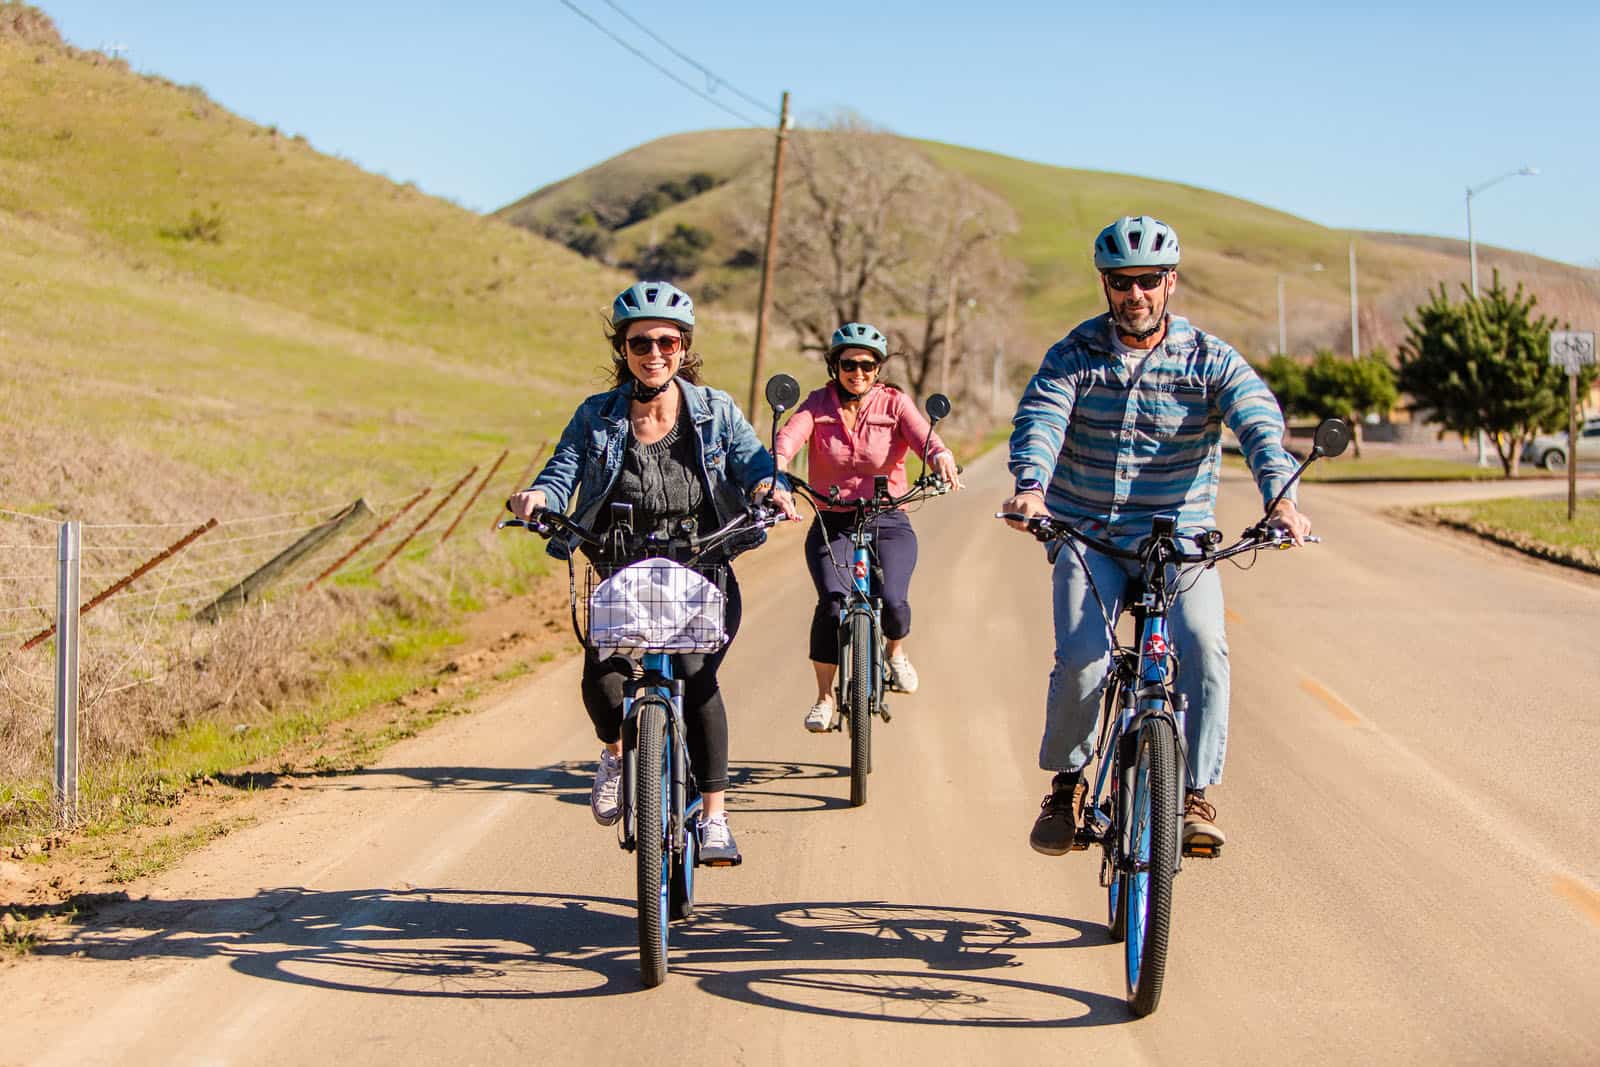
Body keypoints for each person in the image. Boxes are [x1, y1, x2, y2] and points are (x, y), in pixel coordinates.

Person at [1001, 216, 1311, 857]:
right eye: (1120, 282)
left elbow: (1258, 423)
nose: (1134, 294)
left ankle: (1194, 795)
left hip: (1182, 540)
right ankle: (1068, 786)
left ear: (1170, 281)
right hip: (1089, 532)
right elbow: (1041, 418)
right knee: (1084, 656)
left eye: (1147, 280)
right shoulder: (1075, 355)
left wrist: (1281, 500)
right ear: (1106, 285)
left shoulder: (1210, 359)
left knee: (1202, 646)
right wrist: (1031, 487)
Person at [507, 281, 797, 865]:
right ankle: (615, 754)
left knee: (697, 677)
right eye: (641, 341)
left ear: (684, 346)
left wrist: (771, 487)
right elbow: (563, 470)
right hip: (620, 560)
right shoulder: (597, 415)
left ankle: (714, 818)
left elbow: (754, 463)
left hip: (701, 558)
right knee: (605, 678)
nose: (654, 351)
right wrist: (538, 496)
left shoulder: (714, 409)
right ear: (624, 348)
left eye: (668, 340)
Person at [774, 322, 962, 733]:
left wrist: (942, 458)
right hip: (833, 519)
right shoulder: (817, 404)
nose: (858, 372)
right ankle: (825, 698)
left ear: (878, 368)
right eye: (848, 364)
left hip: (888, 515)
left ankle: (896, 652)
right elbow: (790, 437)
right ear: (834, 365)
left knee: (894, 599)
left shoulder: (894, 403)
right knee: (831, 605)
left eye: (867, 365)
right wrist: (778, 467)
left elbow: (924, 439)